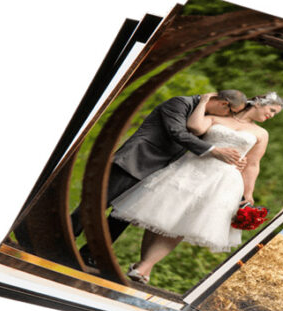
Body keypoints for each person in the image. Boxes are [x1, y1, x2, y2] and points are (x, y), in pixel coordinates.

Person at [108, 92, 283, 284]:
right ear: (258, 103)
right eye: (272, 110)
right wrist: (203, 102)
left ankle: (142, 267)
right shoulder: (217, 118)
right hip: (188, 170)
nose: (272, 115)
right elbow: (194, 127)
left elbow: (252, 164)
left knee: (184, 222)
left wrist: (248, 192)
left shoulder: (261, 134)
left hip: (220, 181)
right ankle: (143, 268)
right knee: (161, 217)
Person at [71, 90, 248, 265]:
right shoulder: (180, 103)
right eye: (232, 113)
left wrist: (240, 159)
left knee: (121, 216)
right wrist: (215, 151)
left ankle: (92, 254)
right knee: (98, 203)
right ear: (224, 104)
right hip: (136, 161)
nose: (230, 117)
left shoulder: (203, 115)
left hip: (158, 171)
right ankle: (67, 234)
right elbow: (177, 132)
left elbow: (210, 139)